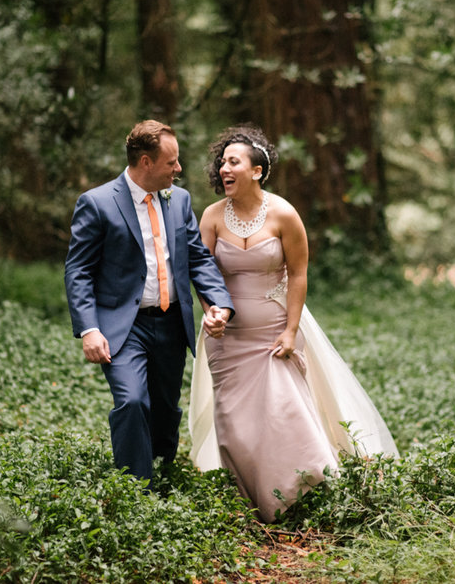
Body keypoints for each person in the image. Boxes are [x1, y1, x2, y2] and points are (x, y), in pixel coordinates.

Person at [189, 124, 397, 522]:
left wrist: (290, 329)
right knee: (236, 426)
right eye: (222, 162)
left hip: (274, 332)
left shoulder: (284, 214)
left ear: (257, 170)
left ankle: (308, 496)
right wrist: (210, 310)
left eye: (233, 162)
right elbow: (203, 271)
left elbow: (298, 274)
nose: (224, 169)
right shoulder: (213, 216)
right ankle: (251, 502)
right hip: (227, 338)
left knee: (286, 413)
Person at [65, 120, 234, 485]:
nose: (179, 169)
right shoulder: (97, 203)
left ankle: (163, 467)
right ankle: (136, 488)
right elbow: (78, 270)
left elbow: (198, 259)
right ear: (145, 162)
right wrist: (89, 329)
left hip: (172, 322)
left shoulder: (180, 199)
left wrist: (218, 302)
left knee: (164, 408)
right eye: (172, 162)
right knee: (131, 402)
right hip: (123, 327)